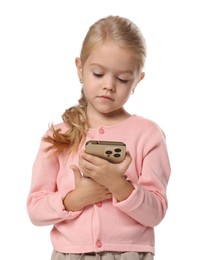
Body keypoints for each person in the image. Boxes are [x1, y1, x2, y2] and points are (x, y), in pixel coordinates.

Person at [27, 15, 171, 260]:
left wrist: (117, 184)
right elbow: (35, 210)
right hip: (70, 254)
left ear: (138, 79)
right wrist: (76, 199)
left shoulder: (148, 134)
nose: (109, 86)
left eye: (123, 79)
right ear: (80, 68)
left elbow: (155, 212)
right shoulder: (57, 136)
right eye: (98, 74)